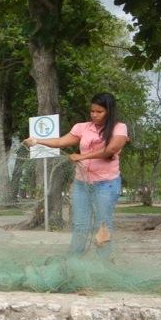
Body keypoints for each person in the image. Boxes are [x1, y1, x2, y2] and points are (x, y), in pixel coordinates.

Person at [23, 92, 129, 256]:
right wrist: (36, 141)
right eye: (92, 111)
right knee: (80, 224)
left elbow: (112, 149)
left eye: (99, 111)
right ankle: (74, 261)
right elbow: (60, 142)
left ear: (109, 111)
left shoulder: (119, 128)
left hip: (106, 183)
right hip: (82, 184)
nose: (94, 115)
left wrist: (82, 156)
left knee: (102, 224)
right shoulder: (82, 127)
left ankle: (103, 264)